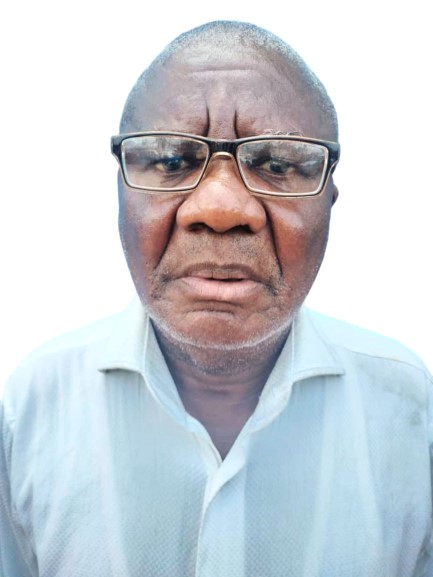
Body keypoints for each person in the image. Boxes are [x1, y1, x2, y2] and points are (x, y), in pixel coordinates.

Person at [1, 20, 432, 577]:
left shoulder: (409, 413)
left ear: (329, 199)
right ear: (120, 192)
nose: (222, 208)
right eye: (171, 161)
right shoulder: (32, 409)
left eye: (277, 164)